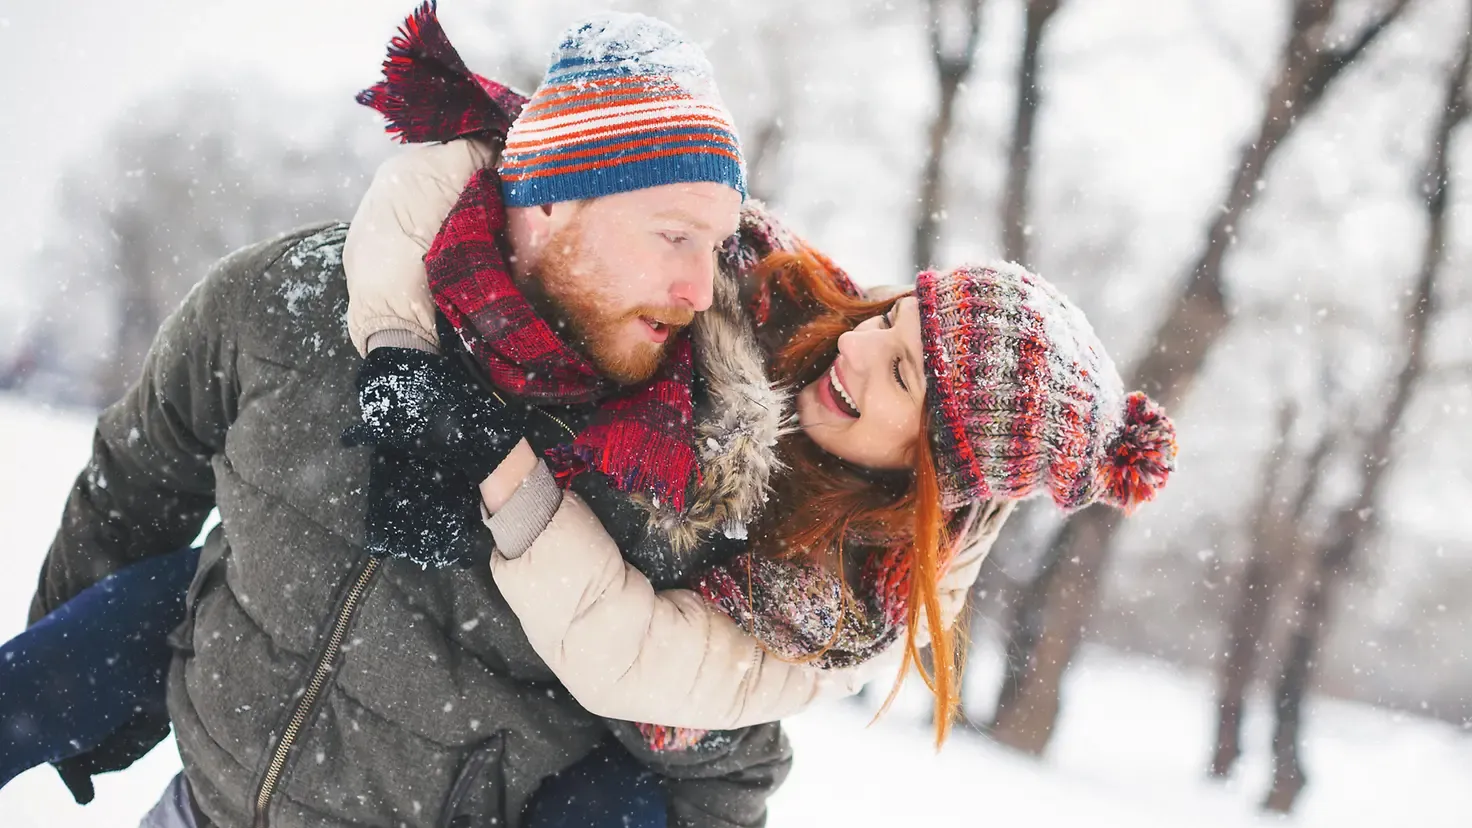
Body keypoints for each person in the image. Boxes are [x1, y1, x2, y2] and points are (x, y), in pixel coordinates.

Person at [23, 10, 795, 828]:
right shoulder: (298, 302)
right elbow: (139, 469)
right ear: (553, 199)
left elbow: (729, 767)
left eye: (713, 247)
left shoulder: (674, 471)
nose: (701, 290)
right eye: (674, 236)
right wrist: (77, 676)